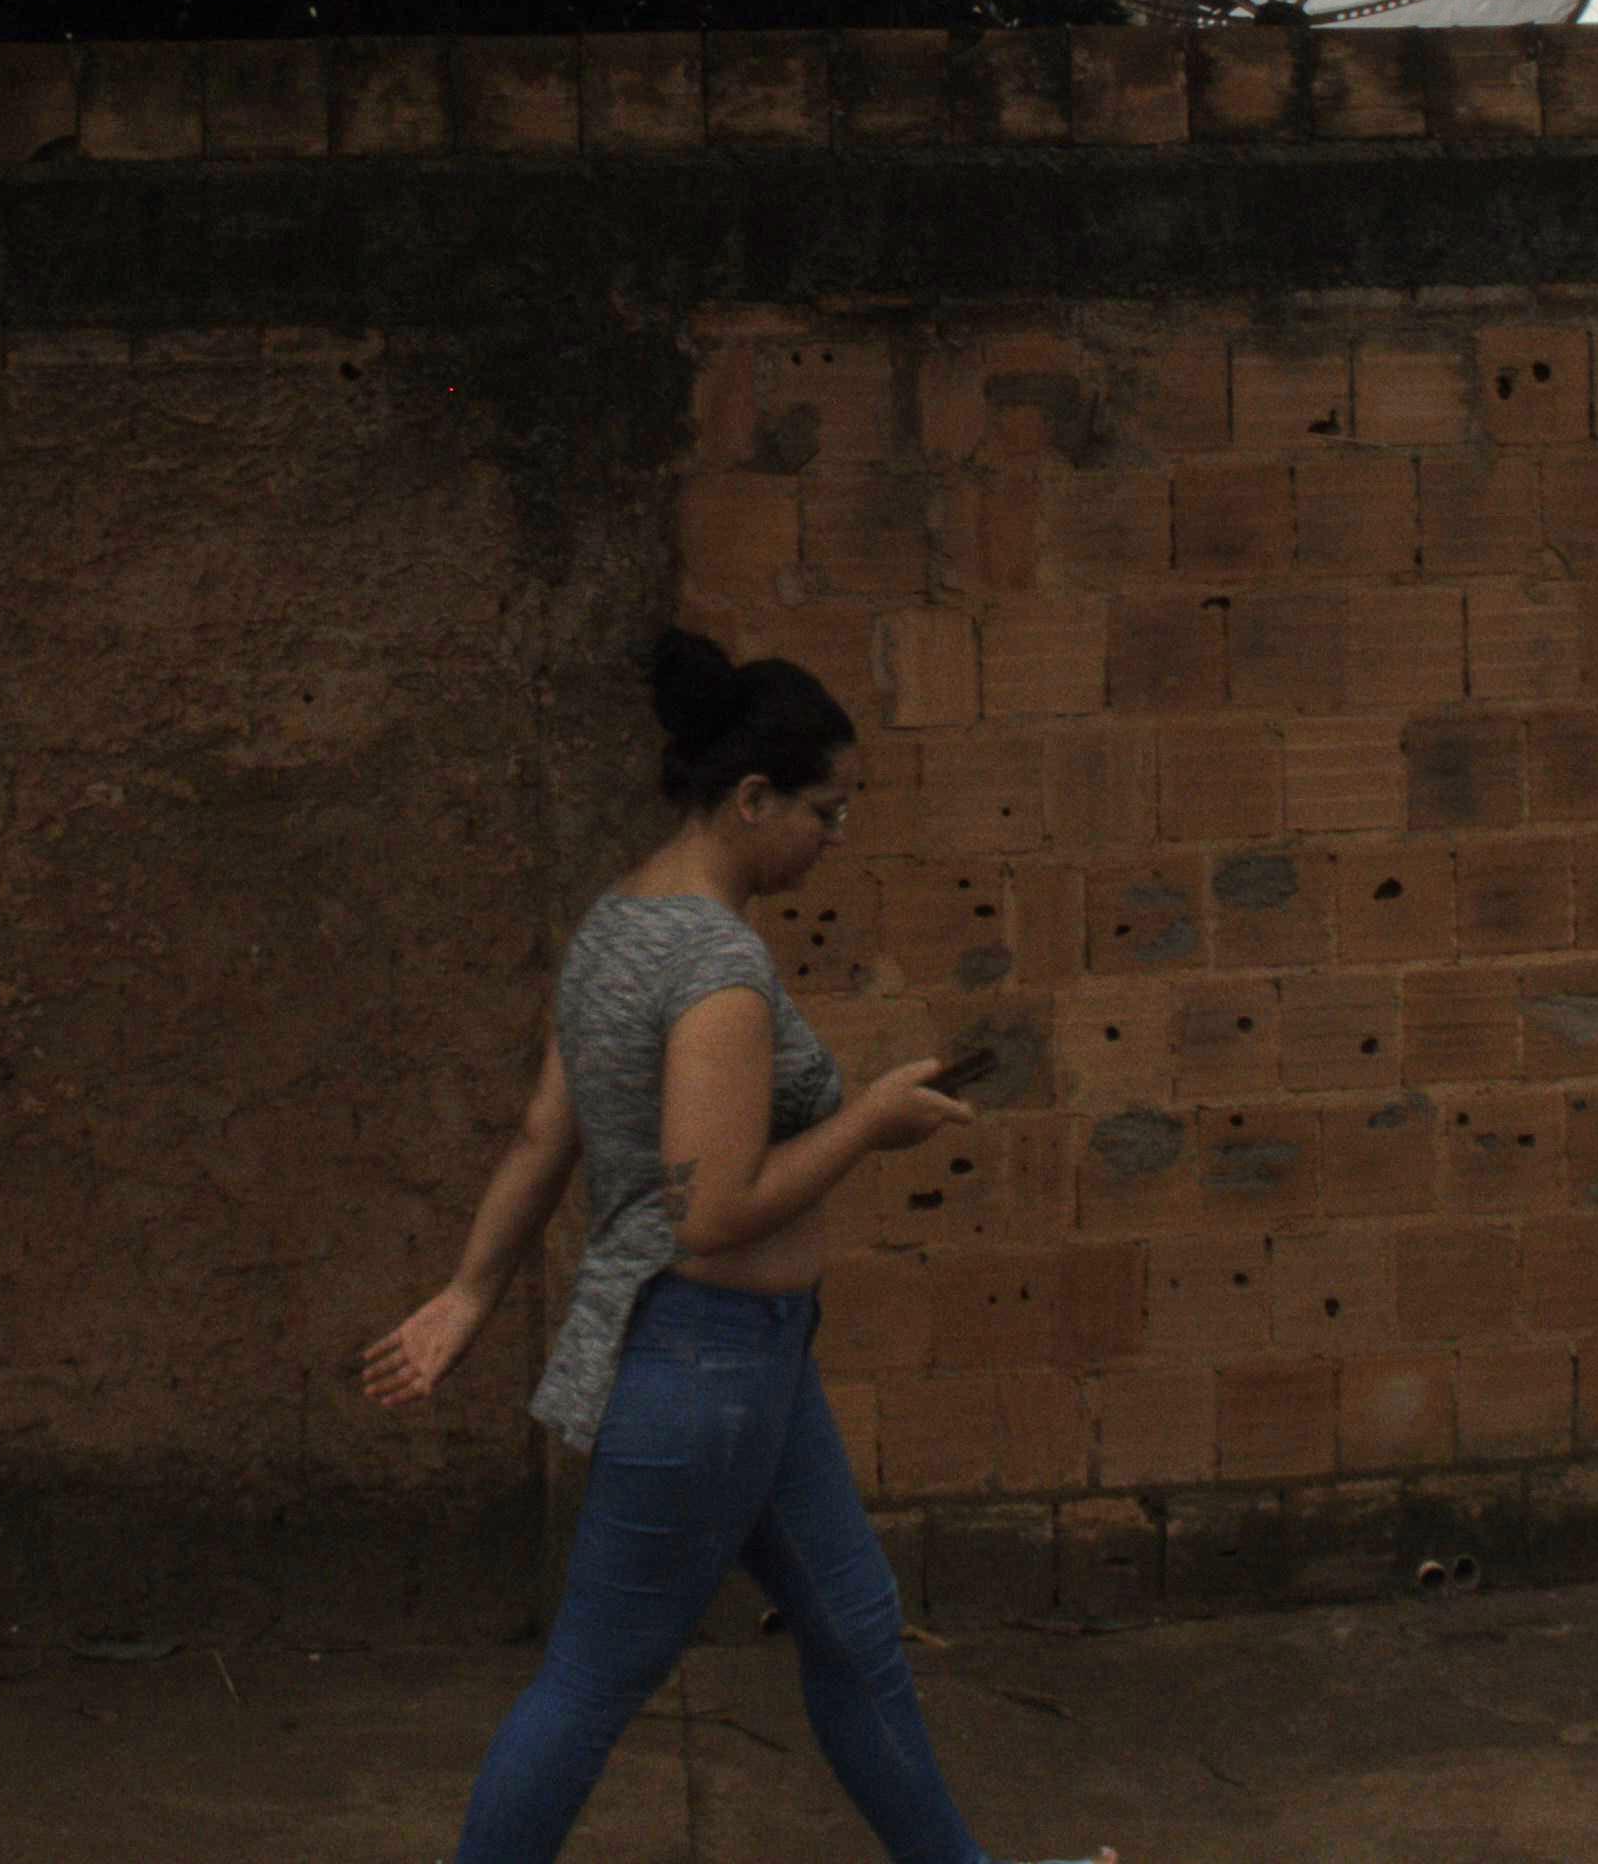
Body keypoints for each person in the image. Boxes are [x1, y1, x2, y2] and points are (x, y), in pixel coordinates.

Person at [362, 627, 1116, 1864]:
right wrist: (867, 1123)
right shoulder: (717, 966)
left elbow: (545, 1131)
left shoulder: (617, 920)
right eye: (826, 811)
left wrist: (470, 1291)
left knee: (856, 1637)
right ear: (752, 798)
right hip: (703, 1369)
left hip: (746, 1365)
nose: (837, 836)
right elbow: (709, 1211)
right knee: (593, 1679)